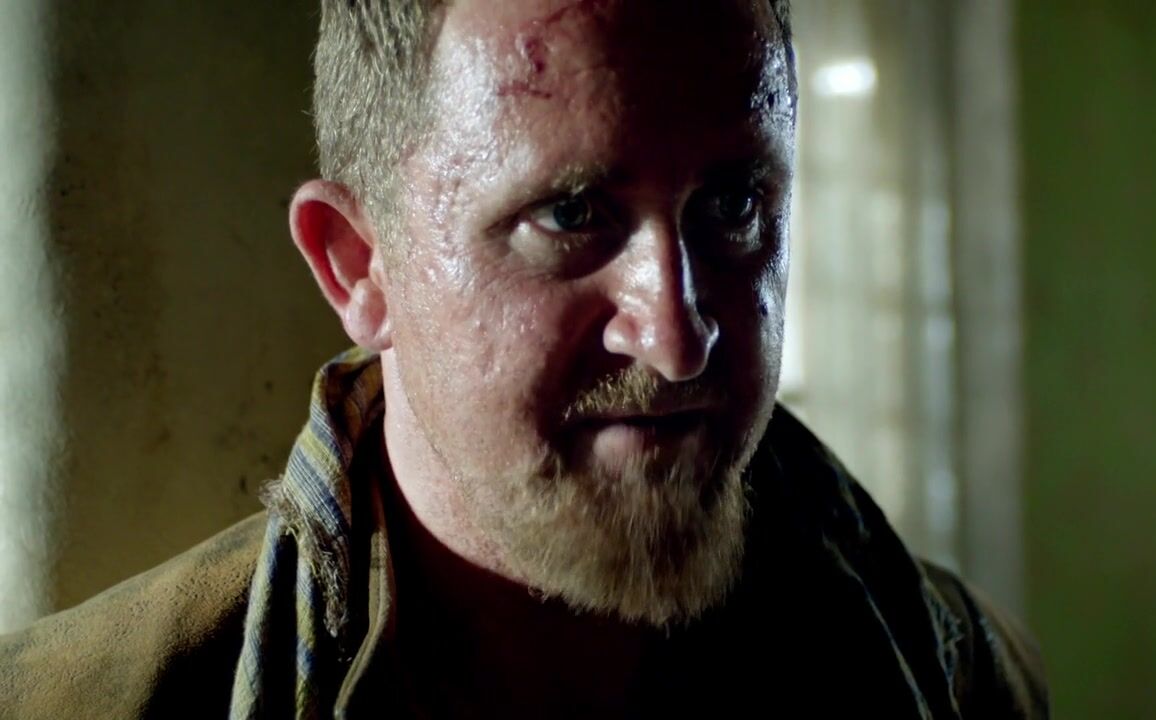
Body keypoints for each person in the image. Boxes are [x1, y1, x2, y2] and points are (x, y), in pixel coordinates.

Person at [0, 0, 1048, 717]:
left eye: (733, 206)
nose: (676, 337)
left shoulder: (956, 673)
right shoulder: (81, 704)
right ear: (359, 265)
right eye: (573, 214)